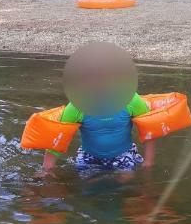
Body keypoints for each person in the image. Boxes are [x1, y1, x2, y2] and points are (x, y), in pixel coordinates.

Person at [41, 42, 155, 174]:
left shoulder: (131, 100)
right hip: (89, 156)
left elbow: (149, 132)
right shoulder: (76, 107)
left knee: (126, 180)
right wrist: (46, 170)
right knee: (86, 186)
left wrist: (149, 162)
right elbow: (57, 140)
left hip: (124, 153)